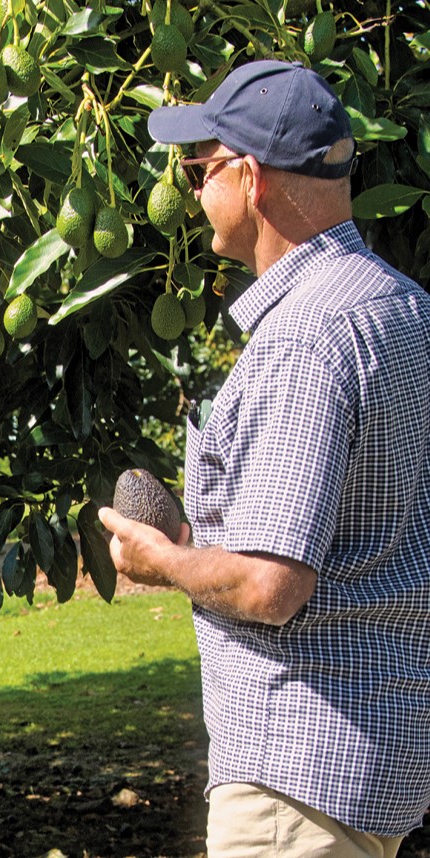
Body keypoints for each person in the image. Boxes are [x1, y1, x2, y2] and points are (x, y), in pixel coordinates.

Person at [99, 60, 430, 856]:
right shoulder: (403, 306)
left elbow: (270, 584)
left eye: (199, 170)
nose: (191, 191)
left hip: (297, 772)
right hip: (381, 758)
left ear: (249, 180)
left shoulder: (304, 339)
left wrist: (162, 560)